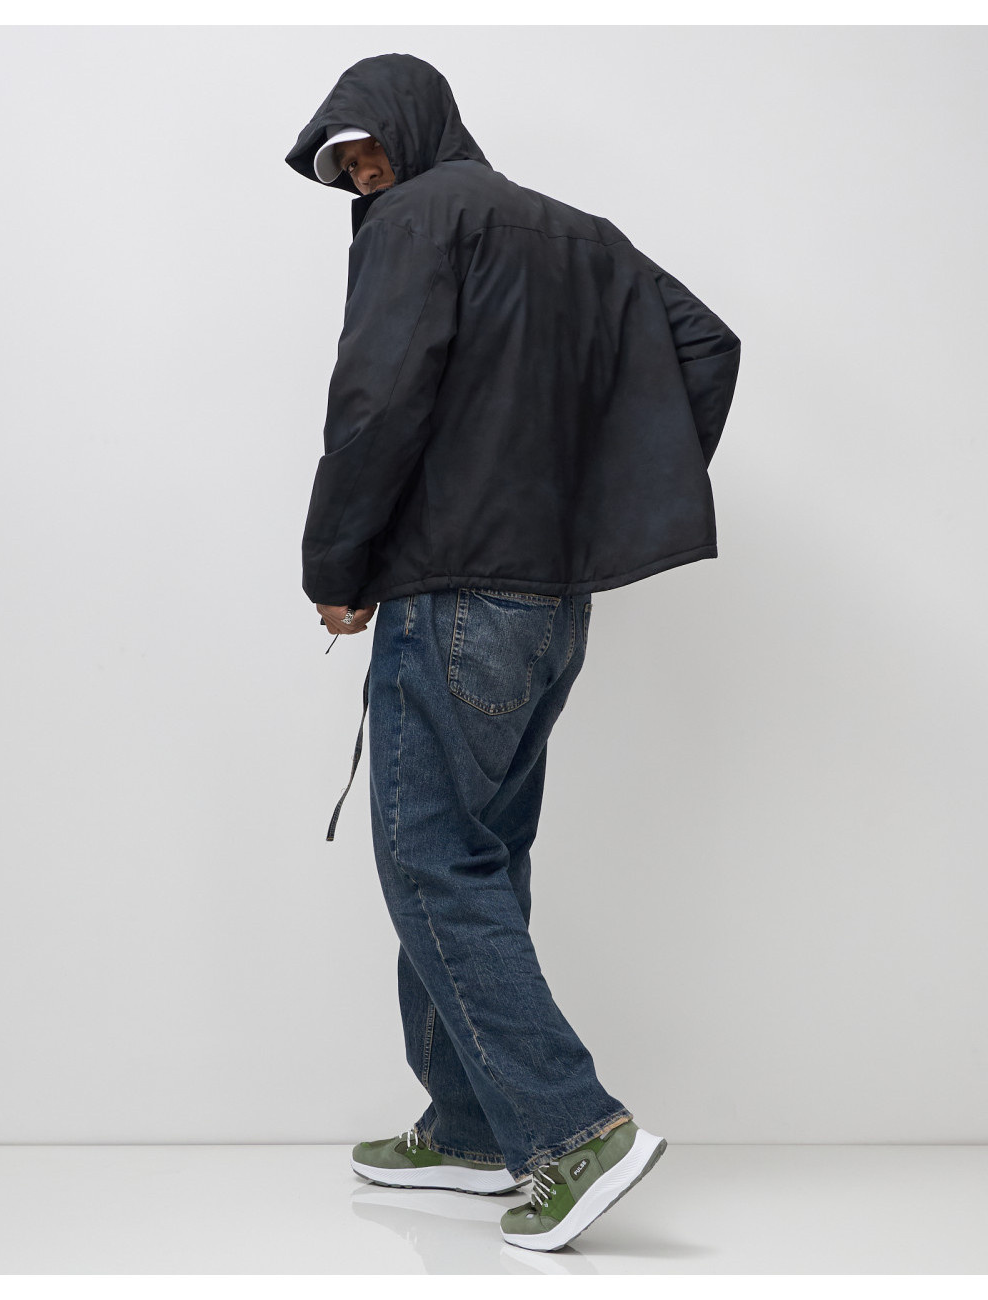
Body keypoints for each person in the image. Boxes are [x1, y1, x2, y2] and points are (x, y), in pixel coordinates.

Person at [284, 52, 740, 1252]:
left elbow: (376, 401)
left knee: (430, 857)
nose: (360, 176)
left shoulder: (418, 218)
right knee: (478, 854)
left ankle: (570, 1130)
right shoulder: (576, 233)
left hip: (451, 593)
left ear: (414, 124)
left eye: (367, 148)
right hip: (548, 604)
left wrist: (336, 566)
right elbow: (705, 345)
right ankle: (471, 1124)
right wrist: (595, 498)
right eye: (341, 166)